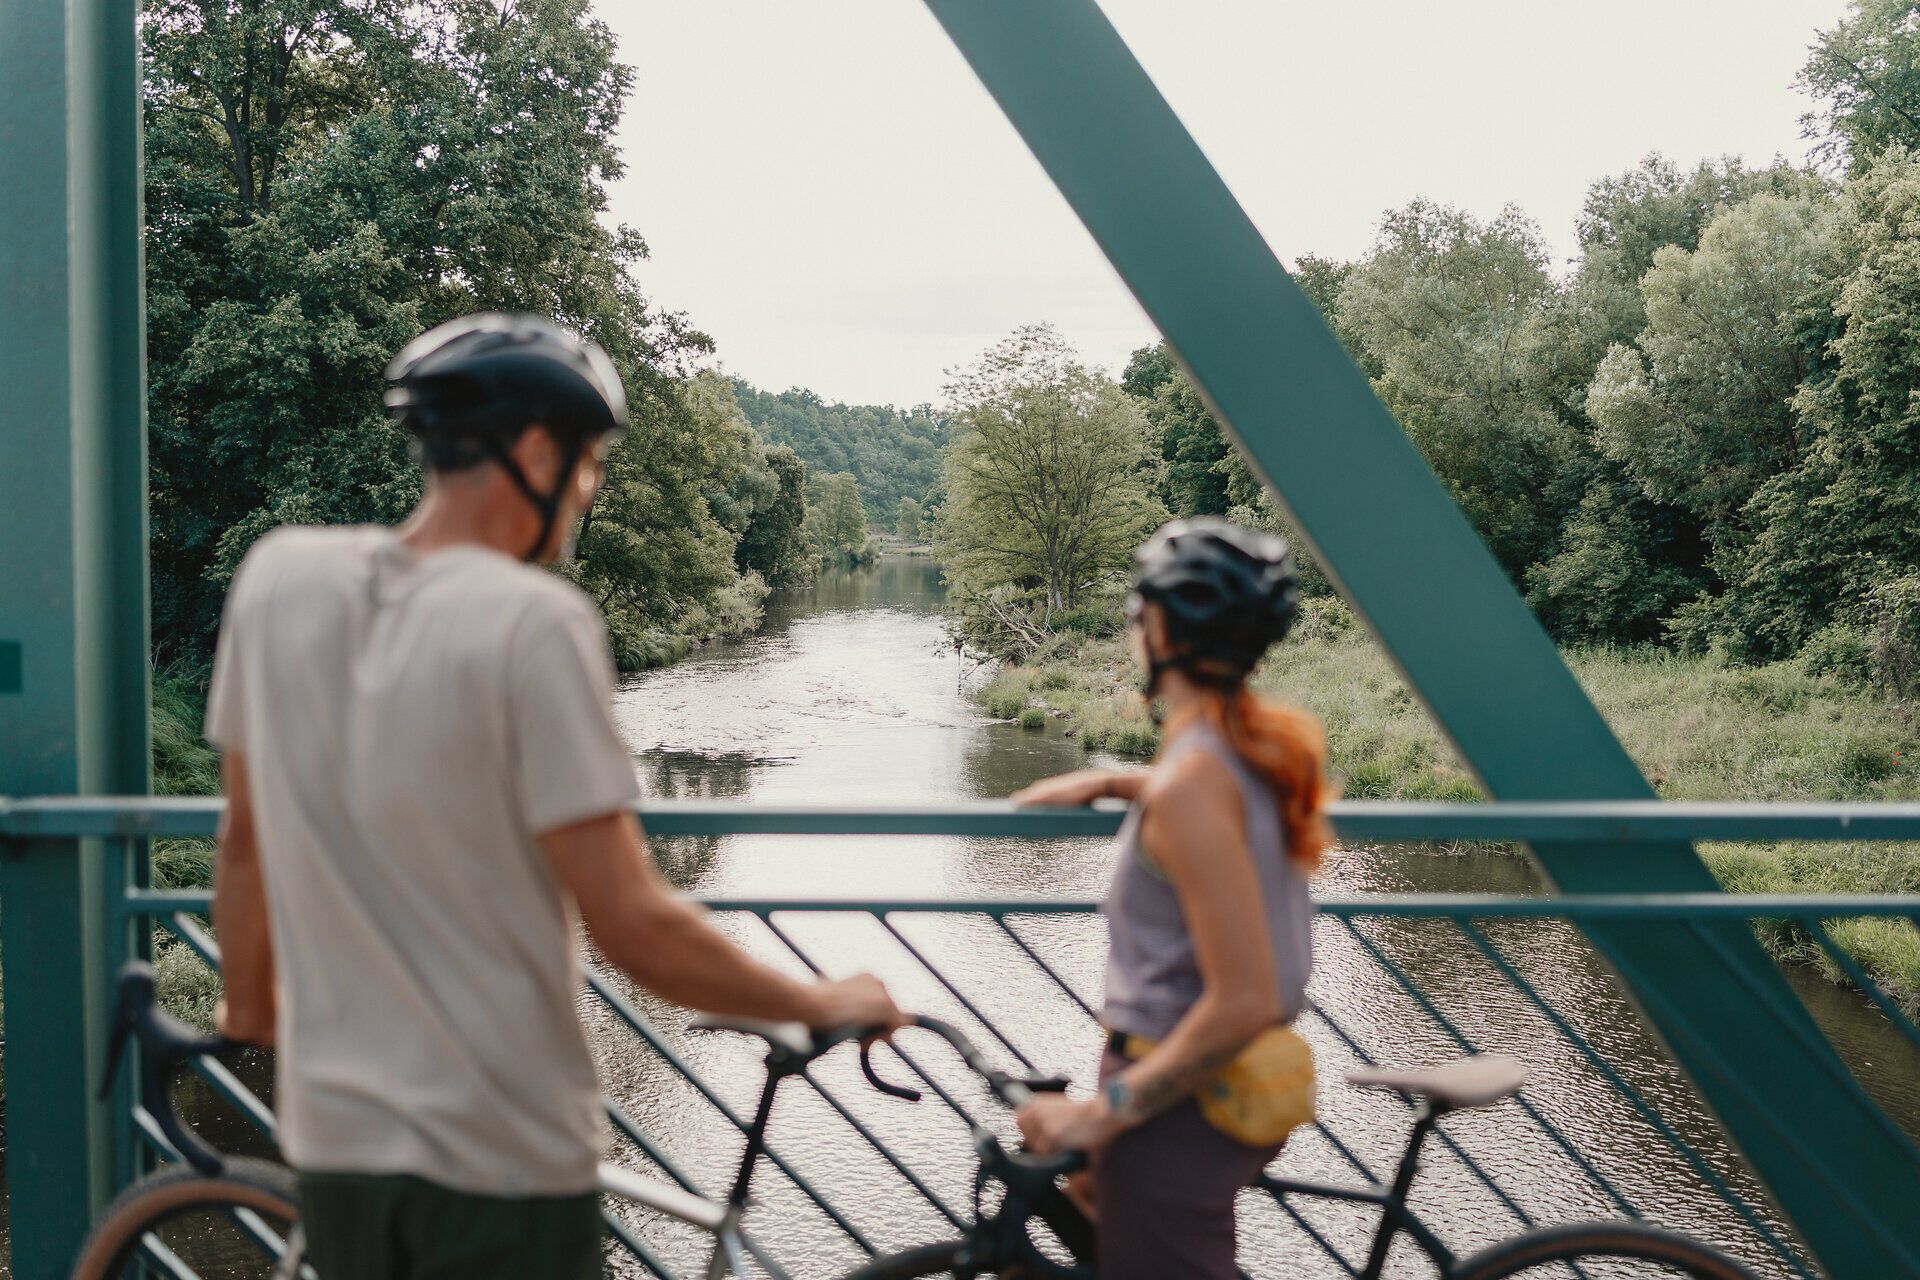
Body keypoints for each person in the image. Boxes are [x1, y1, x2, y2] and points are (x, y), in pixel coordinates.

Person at [206, 313, 903, 1280]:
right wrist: (816, 997)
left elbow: (244, 844)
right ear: (534, 450)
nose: (589, 491)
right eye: (589, 463)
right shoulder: (535, 625)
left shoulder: (277, 579)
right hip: (503, 1159)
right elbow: (630, 922)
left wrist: (247, 1019)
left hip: (336, 1144)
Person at [1011, 517, 1329, 1280]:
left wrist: (1100, 1114)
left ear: (1154, 627)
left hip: (1177, 1105)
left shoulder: (1196, 776)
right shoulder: (1245, 754)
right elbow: (1203, 815)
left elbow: (1241, 999)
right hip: (1212, 1092)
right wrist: (1114, 780)